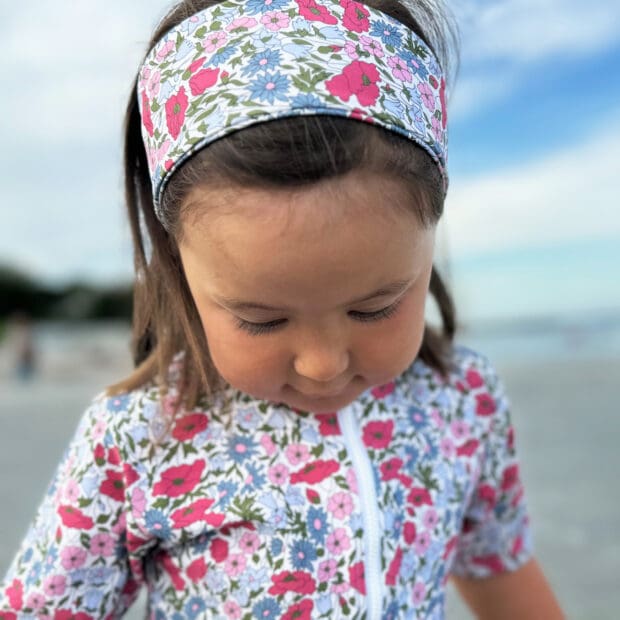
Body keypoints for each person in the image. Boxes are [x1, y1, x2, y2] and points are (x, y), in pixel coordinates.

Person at [0, 0, 564, 618]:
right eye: (262, 320)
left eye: (375, 308)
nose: (323, 365)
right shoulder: (137, 440)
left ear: (430, 239)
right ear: (178, 264)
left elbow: (499, 566)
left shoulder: (464, 401)